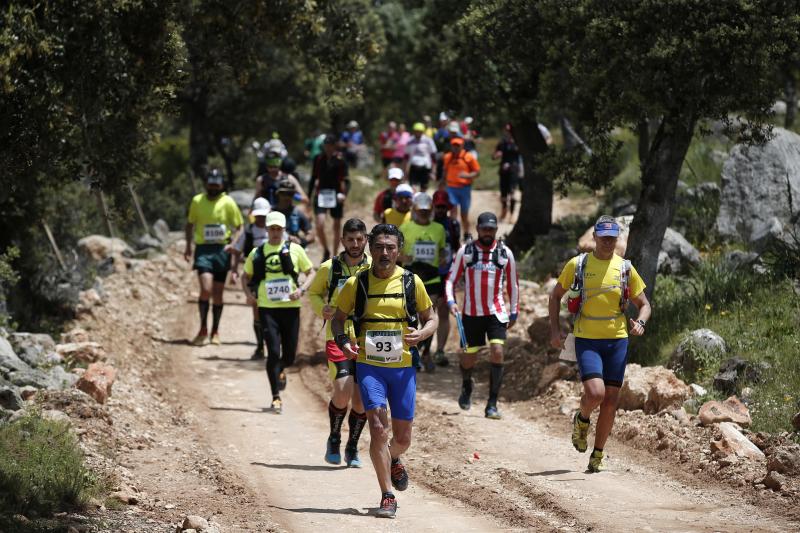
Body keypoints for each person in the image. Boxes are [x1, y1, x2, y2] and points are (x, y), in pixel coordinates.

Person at [331, 224, 438, 518]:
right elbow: (338, 319)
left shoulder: (411, 282)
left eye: (390, 247)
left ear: (398, 251)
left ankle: (394, 457)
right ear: (370, 248)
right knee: (378, 426)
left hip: (402, 369)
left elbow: (432, 318)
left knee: (402, 439)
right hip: (370, 367)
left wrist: (423, 334)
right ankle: (387, 494)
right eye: (378, 247)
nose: (384, 253)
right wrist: (342, 342)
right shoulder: (358, 283)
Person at [548, 215, 651, 473]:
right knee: (595, 394)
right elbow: (556, 295)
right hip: (587, 338)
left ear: (617, 239)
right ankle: (582, 419)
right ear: (594, 237)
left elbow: (645, 304)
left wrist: (641, 322)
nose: (607, 242)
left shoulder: (625, 268)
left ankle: (598, 453)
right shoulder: (578, 265)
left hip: (617, 340)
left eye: (612, 238)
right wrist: (554, 329)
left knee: (610, 401)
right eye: (603, 237)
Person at [307, 218, 371, 467]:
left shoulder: (374, 268)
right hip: (337, 334)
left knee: (362, 399)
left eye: (359, 239)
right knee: (343, 390)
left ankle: (352, 446)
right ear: (342, 240)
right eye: (350, 239)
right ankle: (334, 437)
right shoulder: (329, 268)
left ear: (366, 240)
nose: (355, 244)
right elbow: (313, 292)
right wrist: (320, 307)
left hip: (367, 337)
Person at [445, 212, 518, 419]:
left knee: (497, 351)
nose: (488, 232)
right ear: (477, 229)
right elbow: (450, 280)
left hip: (496, 312)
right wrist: (451, 301)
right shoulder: (465, 251)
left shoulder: (505, 253)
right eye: (484, 228)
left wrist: (514, 311)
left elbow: (513, 284)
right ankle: (467, 384)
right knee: (468, 358)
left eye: (491, 229)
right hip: (471, 314)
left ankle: (492, 405)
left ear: (496, 230)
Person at [242, 211, 316, 414]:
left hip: (291, 308)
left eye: (278, 229)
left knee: (290, 355)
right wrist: (249, 295)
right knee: (273, 352)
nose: (275, 232)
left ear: (284, 230)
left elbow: (311, 272)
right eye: (272, 229)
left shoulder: (296, 250)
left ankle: (281, 369)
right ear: (266, 230)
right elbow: (245, 276)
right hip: (268, 308)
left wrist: (301, 290)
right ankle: (276, 396)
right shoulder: (257, 252)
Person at [184, 169, 244, 346]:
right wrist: (188, 246)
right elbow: (189, 225)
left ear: (222, 185)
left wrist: (233, 244)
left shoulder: (228, 202)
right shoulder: (197, 201)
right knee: (206, 288)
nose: (213, 187)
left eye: (217, 184)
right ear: (206, 184)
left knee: (218, 293)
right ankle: (202, 329)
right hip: (203, 250)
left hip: (221, 251)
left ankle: (215, 331)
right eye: (211, 184)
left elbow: (240, 226)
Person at [399, 193, 447, 372]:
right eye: (421, 210)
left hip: (432, 277)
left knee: (429, 317)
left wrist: (443, 258)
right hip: (411, 277)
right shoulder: (405, 228)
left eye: (427, 211)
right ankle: (413, 352)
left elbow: (443, 251)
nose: (424, 213)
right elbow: (396, 253)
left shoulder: (439, 229)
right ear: (415, 210)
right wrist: (405, 257)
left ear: (431, 210)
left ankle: (426, 352)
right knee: (412, 316)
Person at [232, 197, 271, 359]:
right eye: (259, 216)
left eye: (264, 215)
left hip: (274, 276)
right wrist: (234, 270)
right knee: (256, 310)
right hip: (254, 277)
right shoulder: (248, 232)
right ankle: (260, 346)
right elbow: (237, 251)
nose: (261, 219)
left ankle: (274, 344)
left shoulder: (275, 229)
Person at [308, 134, 349, 262]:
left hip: (336, 195)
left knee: (337, 225)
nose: (328, 148)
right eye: (326, 146)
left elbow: (347, 180)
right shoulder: (318, 159)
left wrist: (344, 194)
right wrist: (308, 196)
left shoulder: (341, 160)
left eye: (330, 146)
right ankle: (326, 250)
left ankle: (335, 255)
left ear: (334, 146)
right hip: (321, 194)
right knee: (319, 223)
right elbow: (313, 177)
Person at [431, 190, 461, 366]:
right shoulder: (427, 224)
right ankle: (424, 348)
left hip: (446, 273)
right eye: (438, 206)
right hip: (428, 273)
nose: (441, 209)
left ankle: (440, 350)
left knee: (443, 312)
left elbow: (457, 248)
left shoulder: (453, 225)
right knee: (425, 311)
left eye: (444, 206)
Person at [443, 137, 480, 235]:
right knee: (453, 211)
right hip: (451, 188)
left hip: (464, 188)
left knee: (464, 214)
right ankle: (453, 233)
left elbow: (477, 172)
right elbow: (445, 171)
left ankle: (466, 233)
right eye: (454, 145)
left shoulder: (469, 157)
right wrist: (441, 183)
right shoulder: (447, 157)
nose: (455, 148)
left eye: (457, 146)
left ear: (462, 146)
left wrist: (467, 175)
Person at [493, 123, 523, 221]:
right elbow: (493, 156)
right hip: (504, 170)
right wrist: (497, 154)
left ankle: (512, 215)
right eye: (507, 130)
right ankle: (504, 211)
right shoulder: (502, 142)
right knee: (503, 194)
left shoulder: (518, 142)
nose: (508, 132)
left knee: (513, 192)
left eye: (510, 130)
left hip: (514, 170)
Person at [273, 179, 314, 248]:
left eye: (290, 194)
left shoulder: (297, 213)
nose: (286, 197)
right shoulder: (270, 212)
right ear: (278, 194)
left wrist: (301, 241)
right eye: (283, 193)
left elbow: (311, 236)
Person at [404, 122, 437, 192]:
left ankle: (422, 201)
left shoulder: (428, 140)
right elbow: (406, 157)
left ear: (423, 132)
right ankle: (414, 202)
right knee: (413, 188)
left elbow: (433, 156)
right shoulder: (410, 141)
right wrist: (405, 170)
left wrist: (433, 171)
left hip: (425, 168)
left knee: (424, 188)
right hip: (413, 167)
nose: (418, 133)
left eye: (419, 131)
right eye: (416, 131)